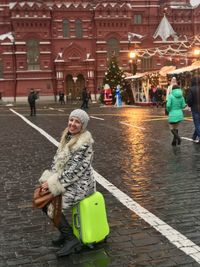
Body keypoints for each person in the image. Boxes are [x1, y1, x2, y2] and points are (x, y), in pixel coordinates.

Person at [38, 109, 96, 257]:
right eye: (71, 120)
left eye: (77, 122)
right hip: (66, 181)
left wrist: (52, 184)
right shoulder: (67, 137)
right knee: (42, 197)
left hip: (81, 185)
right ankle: (65, 234)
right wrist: (48, 180)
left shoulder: (84, 143)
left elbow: (74, 171)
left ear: (82, 126)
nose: (73, 124)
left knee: (49, 203)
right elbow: (57, 162)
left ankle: (71, 239)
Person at [187, 76, 200, 142]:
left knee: (197, 123)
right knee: (198, 123)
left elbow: (189, 99)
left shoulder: (191, 89)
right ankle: (194, 136)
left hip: (195, 108)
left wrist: (190, 105)